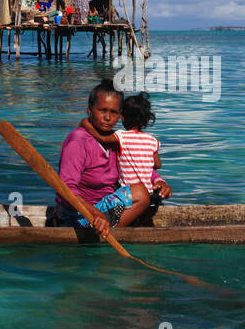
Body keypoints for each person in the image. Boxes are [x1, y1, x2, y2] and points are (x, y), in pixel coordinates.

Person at [54, 80, 172, 237]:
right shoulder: (78, 141)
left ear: (120, 115)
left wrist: (159, 181)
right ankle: (109, 234)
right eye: (102, 110)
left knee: (149, 195)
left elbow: (137, 166)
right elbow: (66, 189)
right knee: (140, 194)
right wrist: (95, 213)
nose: (108, 118)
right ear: (89, 110)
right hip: (77, 216)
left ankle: (113, 227)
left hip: (104, 209)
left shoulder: (116, 140)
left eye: (113, 112)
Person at [79, 93, 160, 228]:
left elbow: (102, 138)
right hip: (152, 197)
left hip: (132, 197)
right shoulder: (151, 140)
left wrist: (86, 124)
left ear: (122, 117)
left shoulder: (121, 136)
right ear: (146, 120)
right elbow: (157, 164)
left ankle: (114, 229)